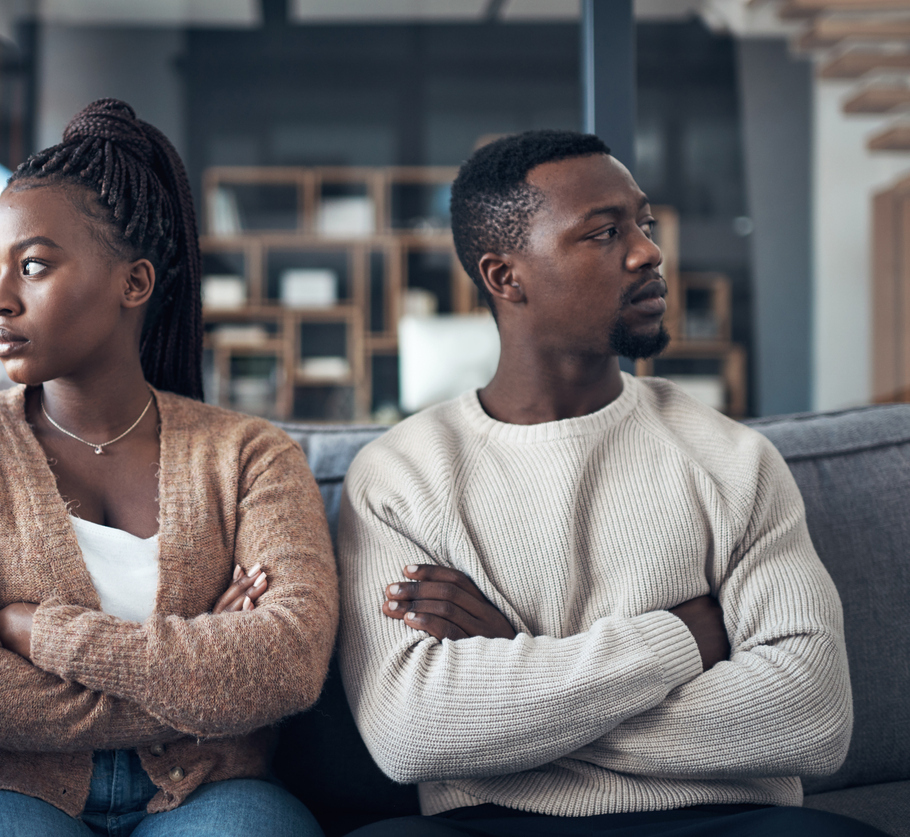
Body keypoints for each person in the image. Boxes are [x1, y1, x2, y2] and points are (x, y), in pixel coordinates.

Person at [336, 130, 883, 837]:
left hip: (726, 818)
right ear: (505, 277)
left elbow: (812, 716)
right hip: (493, 824)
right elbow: (410, 732)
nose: (648, 251)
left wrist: (516, 666)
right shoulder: (399, 476)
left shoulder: (733, 458)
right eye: (603, 232)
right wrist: (678, 641)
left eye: (644, 224)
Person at [0, 99, 337, 837]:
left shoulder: (251, 454)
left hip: (212, 796)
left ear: (135, 282)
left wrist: (41, 634)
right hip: (7, 793)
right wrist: (199, 681)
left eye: (32, 266)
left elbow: (287, 662)